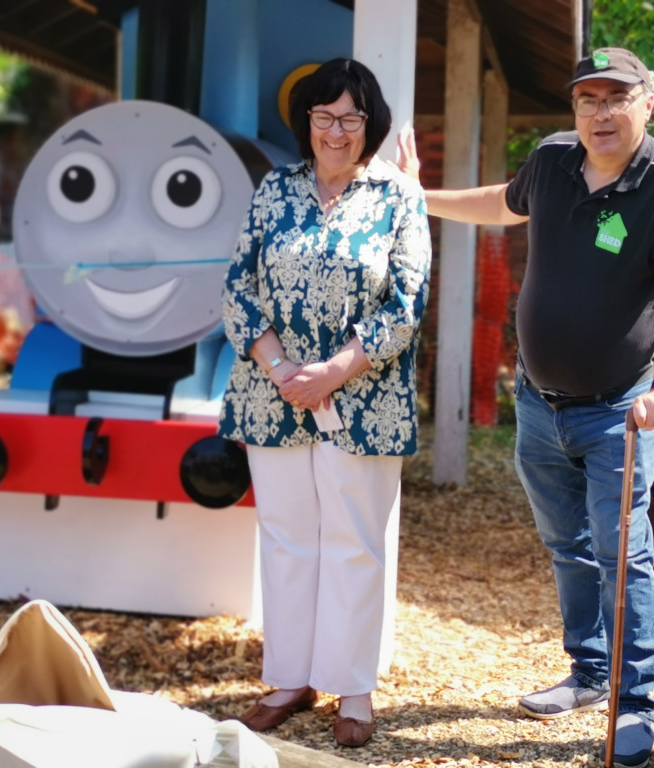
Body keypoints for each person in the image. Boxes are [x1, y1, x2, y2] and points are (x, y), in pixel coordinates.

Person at [399, 48, 654, 768]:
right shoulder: (550, 160)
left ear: (647, 102)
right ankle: (589, 672)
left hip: (620, 412)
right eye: (586, 100)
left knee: (622, 555)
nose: (599, 113)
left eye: (615, 98)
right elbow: (504, 205)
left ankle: (634, 708)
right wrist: (419, 196)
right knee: (568, 548)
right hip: (537, 407)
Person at [219, 57, 431, 748]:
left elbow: (407, 303)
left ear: (370, 125)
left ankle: (354, 690)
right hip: (273, 392)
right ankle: (287, 678)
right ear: (305, 120)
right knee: (286, 540)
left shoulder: (398, 196)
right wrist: (283, 369)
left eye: (350, 117)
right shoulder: (273, 189)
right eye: (323, 116)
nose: (335, 130)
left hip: (363, 399)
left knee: (354, 544)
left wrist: (331, 373)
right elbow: (239, 288)